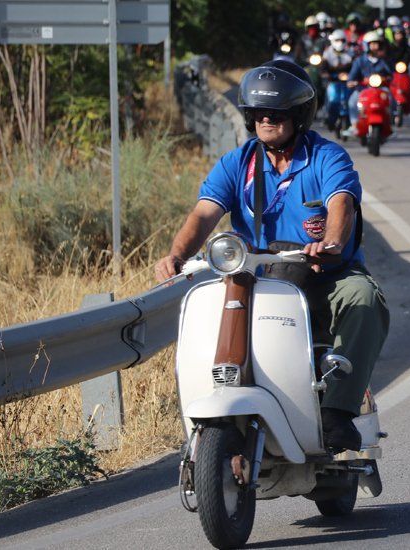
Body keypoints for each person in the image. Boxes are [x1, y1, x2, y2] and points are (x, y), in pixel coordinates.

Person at [155, 60, 389, 452]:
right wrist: (177, 255)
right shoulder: (238, 162)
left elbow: (341, 204)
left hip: (321, 275)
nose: (266, 119)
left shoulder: (327, 157)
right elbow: (204, 213)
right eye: (258, 112)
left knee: (364, 299)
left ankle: (338, 410)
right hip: (255, 278)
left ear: (298, 115)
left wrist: (329, 243)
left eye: (276, 113)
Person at [347, 31, 393, 129]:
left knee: (390, 99)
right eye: (372, 44)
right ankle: (355, 124)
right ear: (366, 45)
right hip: (363, 90)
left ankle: (389, 124)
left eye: (377, 44)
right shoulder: (359, 61)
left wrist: (385, 78)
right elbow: (352, 77)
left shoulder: (384, 60)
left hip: (381, 90)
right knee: (352, 101)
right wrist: (352, 82)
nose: (375, 46)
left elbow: (391, 75)